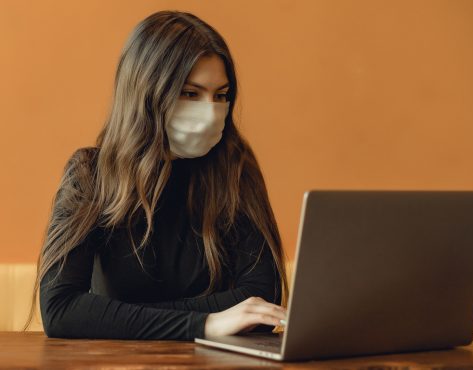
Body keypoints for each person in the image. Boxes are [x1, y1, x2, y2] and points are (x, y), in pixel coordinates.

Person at [22, 10, 289, 340]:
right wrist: (205, 324)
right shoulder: (90, 174)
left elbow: (262, 302)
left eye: (220, 95)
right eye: (190, 93)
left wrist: (123, 317)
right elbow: (61, 310)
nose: (210, 112)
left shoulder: (235, 167)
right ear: (146, 94)